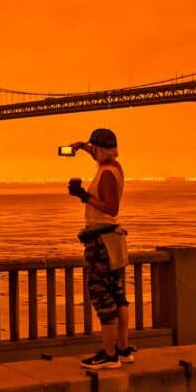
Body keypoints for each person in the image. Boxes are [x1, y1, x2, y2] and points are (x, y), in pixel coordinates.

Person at [68, 128, 134, 369]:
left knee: (101, 296)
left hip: (102, 243)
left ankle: (109, 354)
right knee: (118, 296)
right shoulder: (115, 166)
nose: (91, 151)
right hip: (114, 241)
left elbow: (111, 207)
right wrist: (81, 146)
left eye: (93, 148)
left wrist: (83, 196)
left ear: (99, 149)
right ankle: (123, 349)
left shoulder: (105, 174)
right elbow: (96, 152)